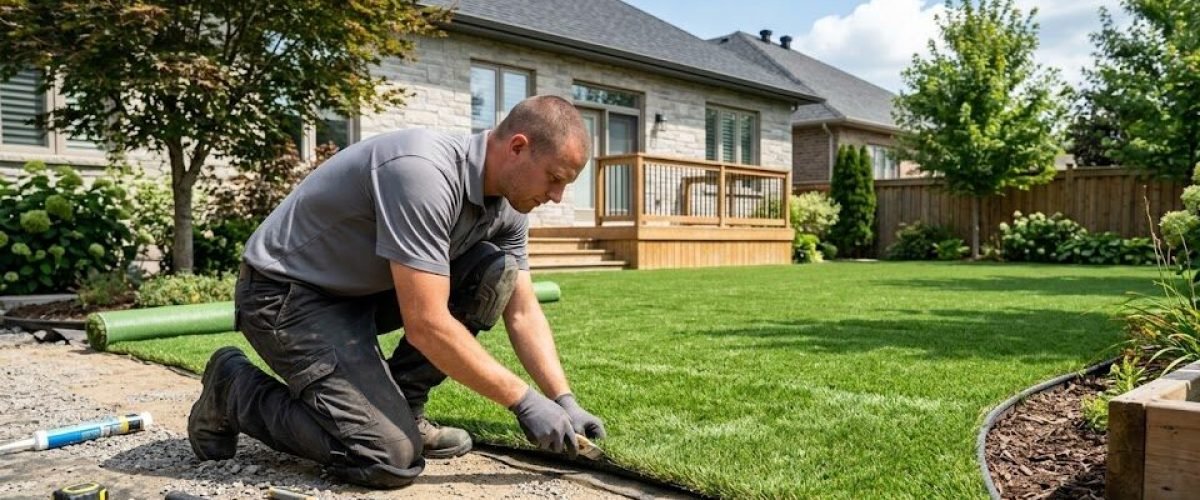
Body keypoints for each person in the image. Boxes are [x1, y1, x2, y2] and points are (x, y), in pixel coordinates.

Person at [186, 95, 607, 489]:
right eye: (554, 179)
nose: (557, 196)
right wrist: (523, 401)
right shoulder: (423, 172)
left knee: (495, 272)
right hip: (285, 296)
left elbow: (523, 311)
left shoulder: (509, 209)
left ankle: (405, 408)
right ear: (518, 147)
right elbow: (427, 324)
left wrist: (563, 399)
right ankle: (233, 389)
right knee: (385, 457)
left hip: (360, 293)